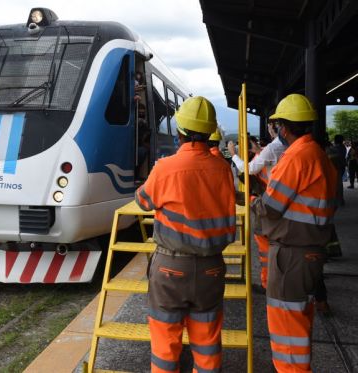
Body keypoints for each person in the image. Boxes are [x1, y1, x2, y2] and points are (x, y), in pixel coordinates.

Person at [136, 96, 235, 373]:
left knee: (166, 342)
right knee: (207, 342)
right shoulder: (223, 169)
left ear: (179, 131)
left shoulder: (165, 168)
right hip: (211, 268)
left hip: (170, 268)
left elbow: (143, 201)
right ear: (209, 132)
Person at [251, 94, 337, 373]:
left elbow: (271, 208)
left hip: (291, 257)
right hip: (309, 253)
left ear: (284, 128)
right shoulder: (318, 155)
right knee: (299, 323)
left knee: (287, 331)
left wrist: (253, 201)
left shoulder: (296, 157)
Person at [228, 122, 286, 288]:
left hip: (265, 205)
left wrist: (233, 154)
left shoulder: (271, 149)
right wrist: (259, 152)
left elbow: (248, 170)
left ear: (276, 127)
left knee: (264, 247)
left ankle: (267, 283)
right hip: (278, 203)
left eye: (269, 125)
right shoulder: (280, 149)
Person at [333, 134, 346, 206]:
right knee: (339, 183)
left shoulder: (336, 148)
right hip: (341, 166)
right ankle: (340, 199)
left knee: (338, 184)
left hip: (337, 167)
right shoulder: (343, 147)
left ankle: (339, 200)